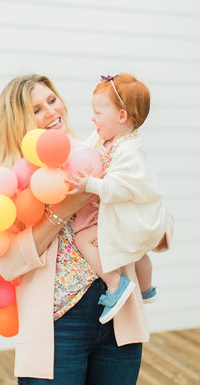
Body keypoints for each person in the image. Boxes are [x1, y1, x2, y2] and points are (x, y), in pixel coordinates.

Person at [0, 74, 173, 384]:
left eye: (52, 100)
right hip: (59, 325)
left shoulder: (97, 150)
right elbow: (7, 264)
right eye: (36, 109)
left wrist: (145, 229)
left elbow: (151, 205)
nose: (51, 111)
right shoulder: (10, 181)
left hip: (117, 313)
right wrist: (64, 211)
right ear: (17, 119)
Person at [68, 73, 168, 325]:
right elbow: (83, 150)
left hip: (133, 216)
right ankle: (146, 289)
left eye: (98, 113)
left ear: (121, 116)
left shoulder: (130, 151)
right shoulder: (104, 137)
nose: (93, 118)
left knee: (83, 239)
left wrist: (89, 184)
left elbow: (120, 186)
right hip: (125, 217)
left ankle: (116, 283)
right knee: (137, 252)